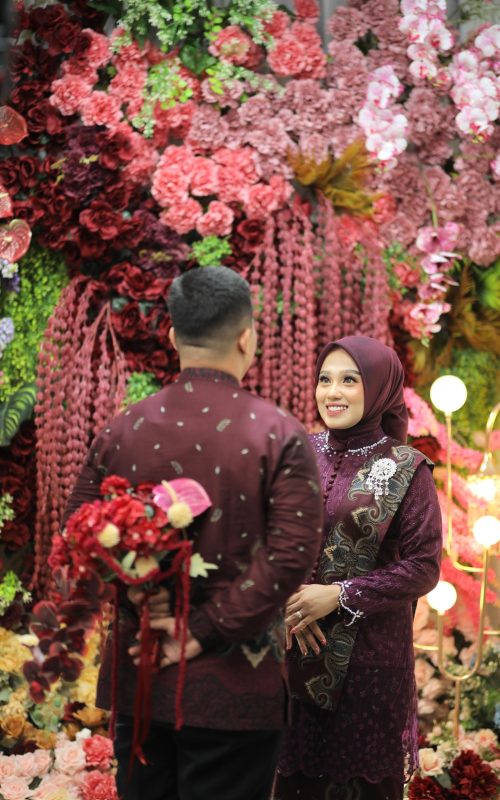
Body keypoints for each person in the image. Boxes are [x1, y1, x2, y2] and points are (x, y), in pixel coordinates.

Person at [64, 266, 323, 800]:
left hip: (142, 680)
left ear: (173, 336)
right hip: (235, 689)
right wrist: (202, 630)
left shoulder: (122, 429)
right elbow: (291, 554)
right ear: (247, 337)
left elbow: (79, 537)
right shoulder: (279, 433)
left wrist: (140, 590)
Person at [272, 335, 443, 800]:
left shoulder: (407, 468)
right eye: (324, 379)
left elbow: (424, 566)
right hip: (292, 653)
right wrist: (288, 599)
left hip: (368, 665)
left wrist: (338, 595)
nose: (333, 392)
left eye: (350, 380)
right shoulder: (296, 453)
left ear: (379, 388)